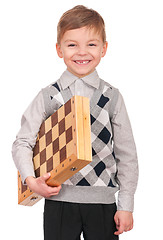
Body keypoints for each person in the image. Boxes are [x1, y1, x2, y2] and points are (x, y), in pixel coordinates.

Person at [12, 5, 138, 240]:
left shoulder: (112, 97)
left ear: (104, 49)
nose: (82, 52)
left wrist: (126, 204)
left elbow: (126, 154)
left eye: (91, 44)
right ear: (59, 50)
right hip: (59, 203)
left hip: (103, 205)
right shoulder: (48, 96)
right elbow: (22, 143)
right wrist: (31, 181)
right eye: (72, 45)